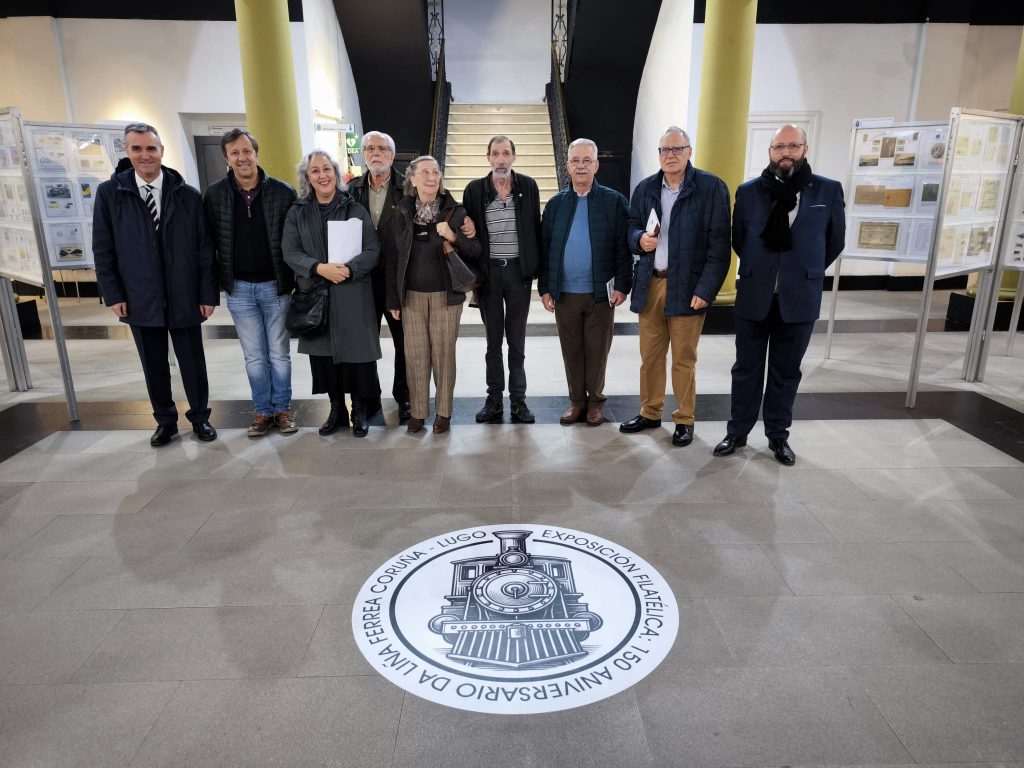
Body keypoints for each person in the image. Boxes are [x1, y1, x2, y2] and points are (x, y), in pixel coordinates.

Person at [713, 124, 846, 465]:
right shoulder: (749, 191)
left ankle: (777, 436)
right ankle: (737, 430)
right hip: (755, 294)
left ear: (805, 148)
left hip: (799, 297)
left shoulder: (827, 192)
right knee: (745, 368)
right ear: (769, 151)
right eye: (779, 147)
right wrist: (766, 269)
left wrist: (799, 271)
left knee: (786, 371)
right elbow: (739, 239)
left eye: (792, 146)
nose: (785, 152)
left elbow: (834, 242)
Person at [93, 122, 219, 447]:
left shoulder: (188, 195)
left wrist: (207, 293)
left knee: (193, 363)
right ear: (127, 152)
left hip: (185, 296)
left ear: (162, 151)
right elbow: (103, 248)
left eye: (151, 148)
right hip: (139, 297)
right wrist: (113, 293)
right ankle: (165, 421)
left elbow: (205, 249)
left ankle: (200, 417)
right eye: (137, 148)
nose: (145, 155)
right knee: (153, 365)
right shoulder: (110, 195)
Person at [621, 126, 730, 446]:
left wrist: (706, 290)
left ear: (689, 152)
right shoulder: (645, 189)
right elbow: (631, 226)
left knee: (684, 358)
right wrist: (638, 239)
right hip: (651, 282)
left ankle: (684, 418)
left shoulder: (710, 188)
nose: (670, 156)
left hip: (688, 286)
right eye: (664, 150)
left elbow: (720, 246)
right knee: (650, 356)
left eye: (676, 149)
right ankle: (651, 411)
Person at [203, 129, 298, 438]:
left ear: (257, 154)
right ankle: (262, 411)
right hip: (240, 288)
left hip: (276, 286)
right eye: (235, 153)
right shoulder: (215, 195)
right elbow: (207, 243)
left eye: (247, 151)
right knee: (254, 355)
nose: (242, 157)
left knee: (279, 354)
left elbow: (295, 241)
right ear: (226, 159)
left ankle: (282, 410)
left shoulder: (283, 193)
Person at [282, 150, 381, 438]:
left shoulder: (355, 209)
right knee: (324, 357)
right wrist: (318, 268)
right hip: (316, 293)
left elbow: (373, 249)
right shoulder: (297, 212)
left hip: (352, 293)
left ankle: (359, 410)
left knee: (358, 357)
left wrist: (350, 269)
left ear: (336, 174)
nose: (322, 175)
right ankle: (336, 409)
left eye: (327, 169)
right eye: (315, 171)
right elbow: (290, 252)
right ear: (307, 178)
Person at [539, 138, 632, 427]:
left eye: (586, 160)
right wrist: (545, 288)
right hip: (565, 294)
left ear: (596, 165)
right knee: (572, 351)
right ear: (568, 165)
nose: (581, 165)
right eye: (575, 160)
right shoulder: (556, 205)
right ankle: (577, 402)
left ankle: (595, 403)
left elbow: (623, 247)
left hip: (600, 295)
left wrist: (622, 286)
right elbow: (546, 249)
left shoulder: (614, 201)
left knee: (597, 352)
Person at [387, 156, 481, 434]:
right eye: (424, 172)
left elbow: (475, 251)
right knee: (415, 356)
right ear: (412, 179)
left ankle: (443, 412)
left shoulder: (455, 211)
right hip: (411, 297)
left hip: (446, 296)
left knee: (443, 356)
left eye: (436, 172)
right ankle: (417, 412)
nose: (431, 177)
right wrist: (393, 298)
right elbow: (393, 257)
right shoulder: (402, 210)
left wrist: (453, 235)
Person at [461, 135, 542, 425]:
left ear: (514, 157)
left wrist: (537, 271)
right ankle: (494, 399)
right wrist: (464, 224)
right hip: (489, 275)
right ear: (488, 158)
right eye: (495, 154)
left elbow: (535, 227)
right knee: (493, 342)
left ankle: (518, 400)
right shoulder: (474, 190)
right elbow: (464, 226)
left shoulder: (528, 187)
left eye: (506, 153)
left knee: (517, 341)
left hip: (518, 274)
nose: (501, 159)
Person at [347, 130, 411, 421]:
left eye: (382, 149)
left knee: (404, 344)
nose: (376, 153)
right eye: (370, 148)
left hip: (398, 281)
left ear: (392, 155)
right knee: (363, 343)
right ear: (363, 154)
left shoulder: (408, 188)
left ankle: (405, 397)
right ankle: (367, 398)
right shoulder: (351, 191)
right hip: (361, 280)